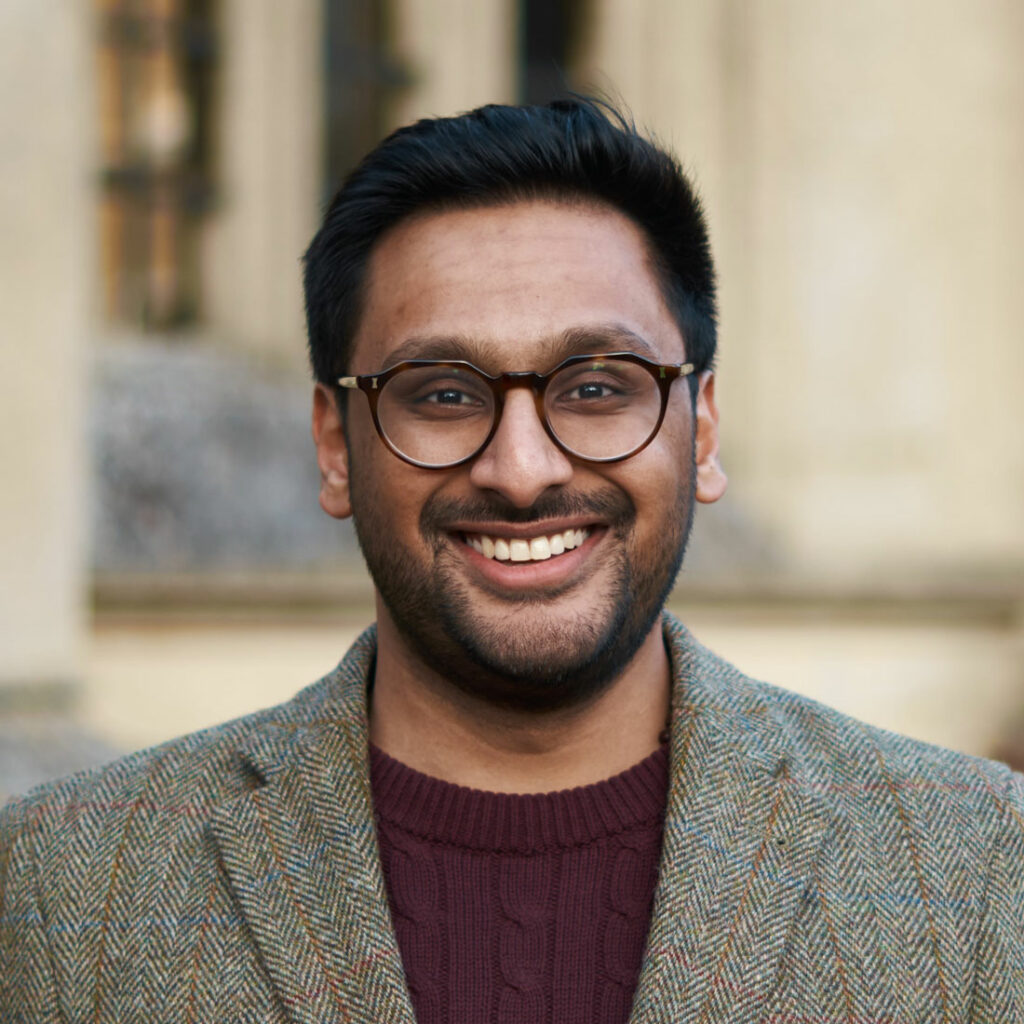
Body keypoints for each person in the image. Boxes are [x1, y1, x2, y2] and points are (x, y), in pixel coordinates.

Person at [1, 99, 1022, 1024]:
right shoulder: (65, 890)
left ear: (702, 431)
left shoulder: (975, 870)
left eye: (597, 386)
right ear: (334, 445)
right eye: (443, 394)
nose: (523, 471)